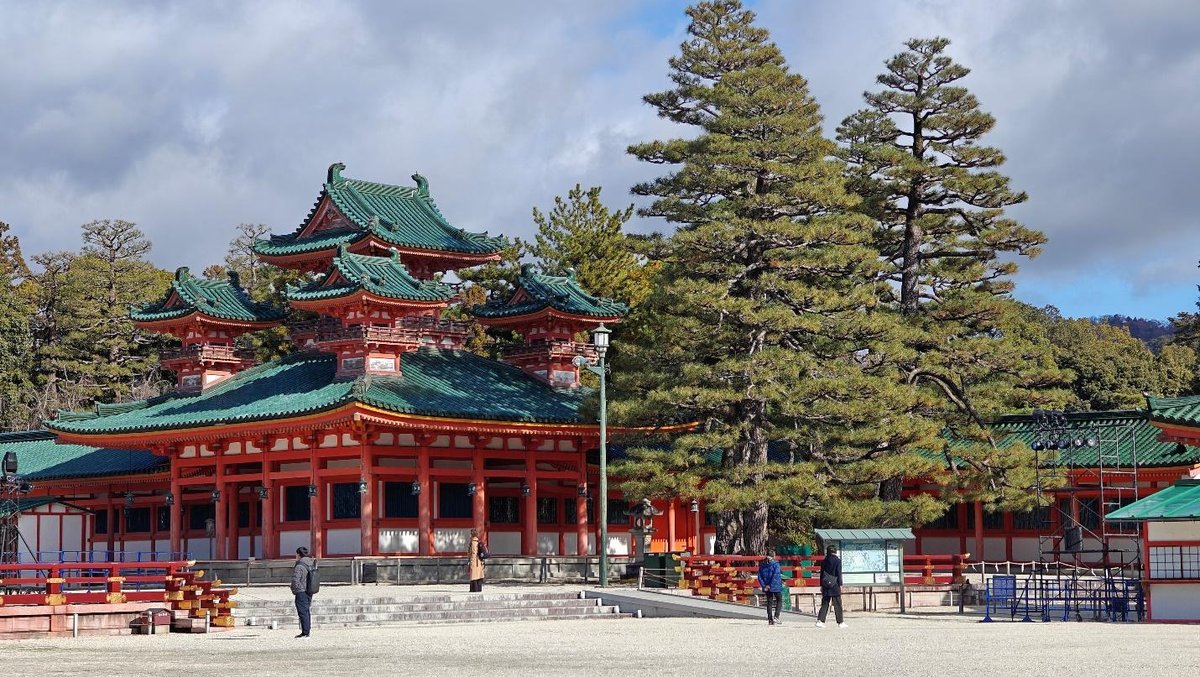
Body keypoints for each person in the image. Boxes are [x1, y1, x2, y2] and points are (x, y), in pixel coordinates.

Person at [816, 544, 846, 628]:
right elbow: (838, 573)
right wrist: (840, 584)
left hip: (825, 584)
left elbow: (822, 574)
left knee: (825, 603)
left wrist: (821, 585)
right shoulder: (837, 561)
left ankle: (820, 620)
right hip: (835, 584)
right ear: (835, 552)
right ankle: (840, 622)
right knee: (837, 604)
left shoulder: (824, 561)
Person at [291, 546, 317, 638]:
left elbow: (295, 580)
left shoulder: (300, 565)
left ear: (298, 554)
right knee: (306, 611)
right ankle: (306, 630)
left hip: (301, 590)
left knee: (302, 612)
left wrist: (295, 590)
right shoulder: (311, 563)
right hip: (310, 589)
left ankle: (305, 632)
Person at [757, 549, 784, 625]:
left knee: (769, 602)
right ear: (773, 556)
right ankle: (776, 616)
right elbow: (775, 576)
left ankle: (770, 619)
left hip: (766, 586)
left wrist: (764, 585)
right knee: (779, 600)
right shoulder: (776, 564)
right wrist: (770, 585)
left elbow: (760, 576)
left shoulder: (762, 564)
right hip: (775, 585)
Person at [468, 528, 487, 592]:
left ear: (472, 534)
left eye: (470, 534)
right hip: (479, 561)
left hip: (475, 562)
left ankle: (474, 589)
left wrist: (471, 562)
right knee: (479, 576)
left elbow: (474, 553)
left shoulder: (473, 542)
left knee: (474, 576)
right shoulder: (478, 541)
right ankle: (479, 589)